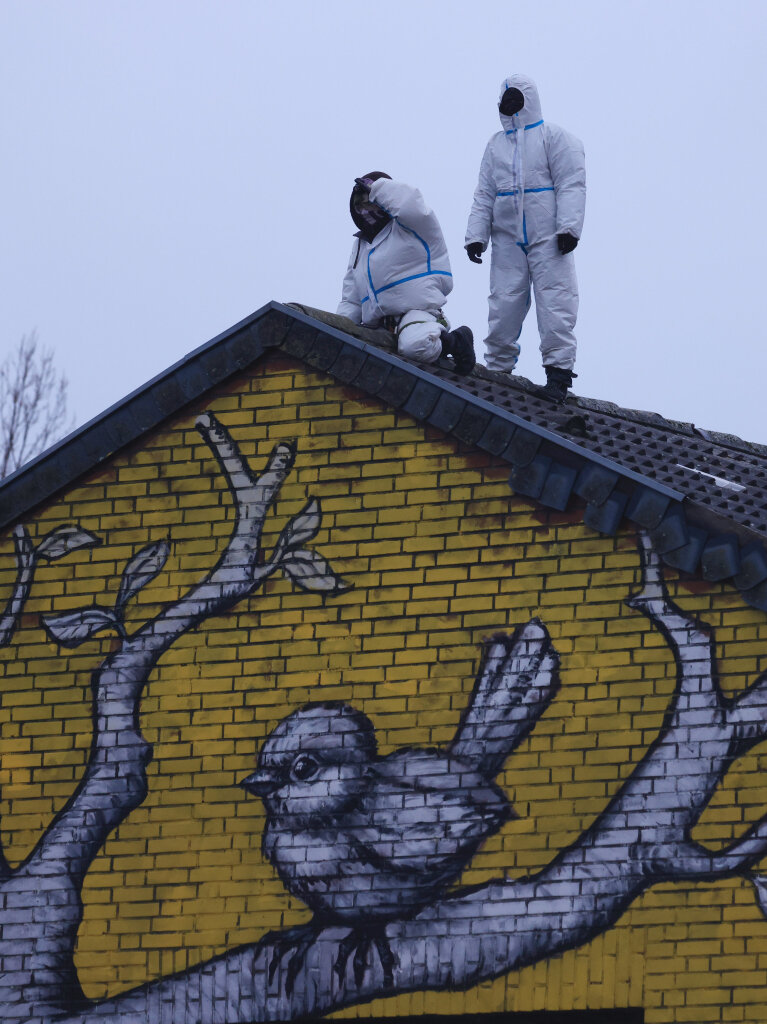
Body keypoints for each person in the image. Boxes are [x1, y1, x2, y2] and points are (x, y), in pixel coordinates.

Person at [465, 74, 586, 403]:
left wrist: (568, 228)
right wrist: (476, 235)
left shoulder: (554, 138)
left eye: (517, 98)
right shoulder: (495, 145)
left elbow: (571, 183)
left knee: (556, 300)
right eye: (506, 100)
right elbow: (484, 193)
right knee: (503, 302)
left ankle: (558, 373)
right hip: (507, 238)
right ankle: (498, 370)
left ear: (529, 100)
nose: (511, 105)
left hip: (548, 237)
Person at [337, 173, 475, 375]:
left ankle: (455, 342)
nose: (366, 211)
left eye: (371, 203)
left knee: (414, 345)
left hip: (417, 313)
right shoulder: (361, 245)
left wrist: (375, 187)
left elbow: (410, 204)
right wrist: (338, 329)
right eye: (360, 207)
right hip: (377, 326)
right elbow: (351, 299)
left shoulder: (413, 227)